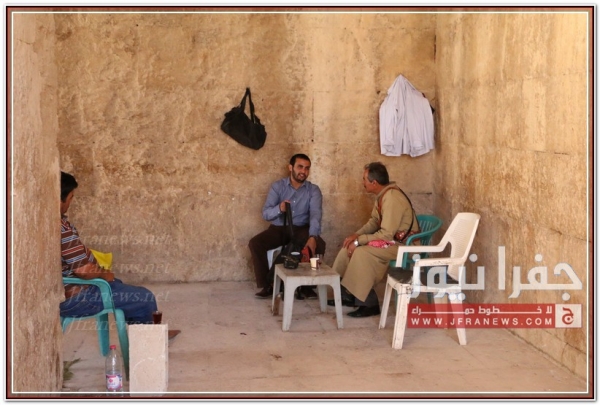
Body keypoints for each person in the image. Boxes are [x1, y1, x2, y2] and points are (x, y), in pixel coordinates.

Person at [59, 171, 181, 339]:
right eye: (71, 197)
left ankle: (149, 332)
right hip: (79, 298)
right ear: (60, 199)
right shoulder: (62, 230)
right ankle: (150, 340)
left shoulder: (56, 224)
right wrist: (104, 274)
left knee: (121, 286)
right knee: (144, 297)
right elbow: (84, 271)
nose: (71, 202)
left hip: (74, 291)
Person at [329, 162, 420, 318]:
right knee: (348, 247)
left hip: (404, 246)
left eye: (364, 179)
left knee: (362, 253)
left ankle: (369, 304)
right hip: (392, 242)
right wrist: (355, 236)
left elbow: (386, 235)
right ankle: (347, 294)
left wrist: (360, 241)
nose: (362, 182)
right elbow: (374, 222)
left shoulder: (392, 198)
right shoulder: (383, 195)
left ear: (374, 183)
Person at [249, 154, 326, 299]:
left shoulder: (313, 190)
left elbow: (316, 215)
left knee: (316, 243)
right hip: (279, 228)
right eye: (300, 167)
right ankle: (268, 285)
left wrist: (313, 236)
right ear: (290, 167)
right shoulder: (278, 187)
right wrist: (280, 208)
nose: (303, 171)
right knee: (256, 243)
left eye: (307, 168)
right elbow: (266, 214)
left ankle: (306, 286)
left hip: (301, 228)